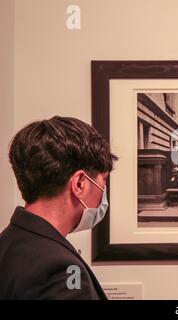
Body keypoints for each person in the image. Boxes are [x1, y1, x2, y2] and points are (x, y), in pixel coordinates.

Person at [0, 116, 118, 299]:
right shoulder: (59, 270)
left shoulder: (9, 242)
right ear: (79, 184)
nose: (104, 190)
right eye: (104, 180)